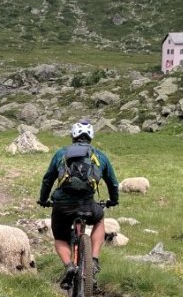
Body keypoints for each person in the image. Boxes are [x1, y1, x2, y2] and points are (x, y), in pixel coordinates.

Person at [37, 119, 120, 288]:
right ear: (91, 137)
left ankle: (69, 266)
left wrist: (44, 199)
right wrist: (113, 200)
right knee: (98, 220)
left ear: (73, 136)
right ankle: (94, 259)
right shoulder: (100, 156)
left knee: (60, 237)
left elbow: (48, 179)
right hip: (87, 205)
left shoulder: (61, 153)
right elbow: (113, 183)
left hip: (62, 206)